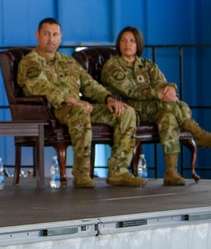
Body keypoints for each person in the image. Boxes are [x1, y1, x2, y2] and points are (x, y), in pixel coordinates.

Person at [17, 18, 147, 188]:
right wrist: (72, 100)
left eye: (55, 34)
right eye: (46, 34)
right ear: (37, 35)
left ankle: (118, 171)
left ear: (60, 37)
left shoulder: (68, 62)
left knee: (126, 111)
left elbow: (89, 84)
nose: (51, 39)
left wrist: (109, 98)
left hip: (77, 107)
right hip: (52, 109)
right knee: (79, 111)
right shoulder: (30, 62)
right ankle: (81, 173)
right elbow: (41, 87)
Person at [101, 26, 211, 186]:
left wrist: (170, 89)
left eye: (131, 40)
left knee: (169, 117)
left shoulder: (147, 65)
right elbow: (131, 90)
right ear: (118, 44)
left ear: (138, 44)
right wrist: (158, 94)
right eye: (123, 40)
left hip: (153, 108)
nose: (127, 44)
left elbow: (161, 83)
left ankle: (171, 172)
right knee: (175, 107)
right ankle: (197, 133)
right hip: (129, 108)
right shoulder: (112, 66)